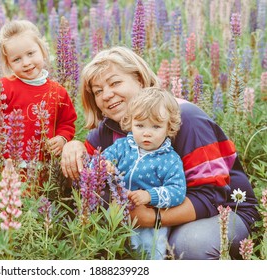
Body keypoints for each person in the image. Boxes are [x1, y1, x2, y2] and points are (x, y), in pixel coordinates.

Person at [61, 46, 260, 259]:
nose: (107, 95)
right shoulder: (111, 127)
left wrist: (152, 218)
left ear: (139, 80)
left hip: (222, 211)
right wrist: (73, 146)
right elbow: (90, 168)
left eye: (115, 83)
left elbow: (211, 196)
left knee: (188, 244)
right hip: (155, 213)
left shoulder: (186, 118)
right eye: (98, 91)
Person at [101, 87, 186, 259]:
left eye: (156, 126)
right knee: (112, 250)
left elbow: (178, 191)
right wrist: (104, 164)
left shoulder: (170, 159)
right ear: (130, 122)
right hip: (115, 215)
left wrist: (150, 195)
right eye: (140, 125)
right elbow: (97, 160)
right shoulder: (122, 147)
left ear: (169, 127)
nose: (146, 133)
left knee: (149, 253)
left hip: (149, 225)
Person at [0, 20, 77, 163]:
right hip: (9, 169)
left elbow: (67, 122)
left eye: (30, 53)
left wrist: (62, 138)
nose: (26, 62)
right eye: (17, 59)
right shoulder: (2, 88)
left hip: (45, 169)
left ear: (42, 50)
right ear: (8, 63)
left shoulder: (58, 92)